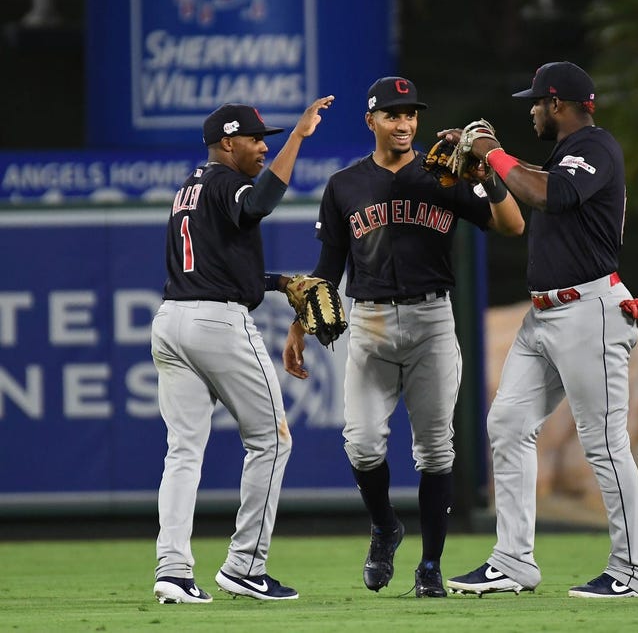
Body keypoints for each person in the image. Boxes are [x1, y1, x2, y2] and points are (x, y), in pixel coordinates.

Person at [282, 76, 524, 598]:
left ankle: (430, 567)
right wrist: (298, 325)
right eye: (392, 114)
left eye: (410, 114)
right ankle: (385, 526)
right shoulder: (344, 185)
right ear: (371, 121)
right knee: (363, 445)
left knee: (436, 453)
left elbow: (513, 226)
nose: (404, 123)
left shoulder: (444, 174)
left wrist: (486, 177)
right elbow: (327, 267)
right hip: (368, 323)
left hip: (433, 319)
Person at [444, 61, 638, 598]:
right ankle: (512, 561)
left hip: (590, 312)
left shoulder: (596, 147)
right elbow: (535, 189)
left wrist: (491, 150)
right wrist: (486, 169)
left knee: (605, 445)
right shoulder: (565, 155)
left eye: (536, 103)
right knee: (509, 424)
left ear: (557, 104)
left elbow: (552, 195)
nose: (532, 111)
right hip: (544, 316)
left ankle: (632, 571)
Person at [151, 95, 334, 604]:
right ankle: (246, 566)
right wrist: (298, 137)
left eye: (269, 140)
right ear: (227, 143)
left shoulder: (190, 187)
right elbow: (258, 203)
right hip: (216, 323)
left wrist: (276, 282)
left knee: (183, 450)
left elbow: (220, 262)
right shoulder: (228, 182)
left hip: (171, 322)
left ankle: (172, 570)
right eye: (256, 139)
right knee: (272, 441)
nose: (262, 147)